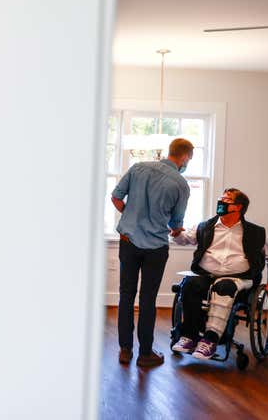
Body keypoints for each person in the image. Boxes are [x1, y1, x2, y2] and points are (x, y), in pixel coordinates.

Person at [111, 138, 193, 367]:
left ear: (170, 151)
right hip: (156, 248)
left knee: (126, 295)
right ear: (185, 157)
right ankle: (145, 354)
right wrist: (177, 229)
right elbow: (176, 224)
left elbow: (116, 197)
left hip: (128, 240)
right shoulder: (180, 185)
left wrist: (131, 217)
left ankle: (125, 350)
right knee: (148, 299)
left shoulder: (138, 168)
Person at [171, 188, 268, 359]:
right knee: (190, 284)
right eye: (221, 199)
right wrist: (177, 234)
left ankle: (210, 340)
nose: (220, 202)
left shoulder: (256, 232)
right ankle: (189, 336)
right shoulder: (206, 226)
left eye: (226, 200)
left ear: (238, 207)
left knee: (224, 287)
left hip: (240, 277)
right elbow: (184, 239)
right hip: (207, 274)